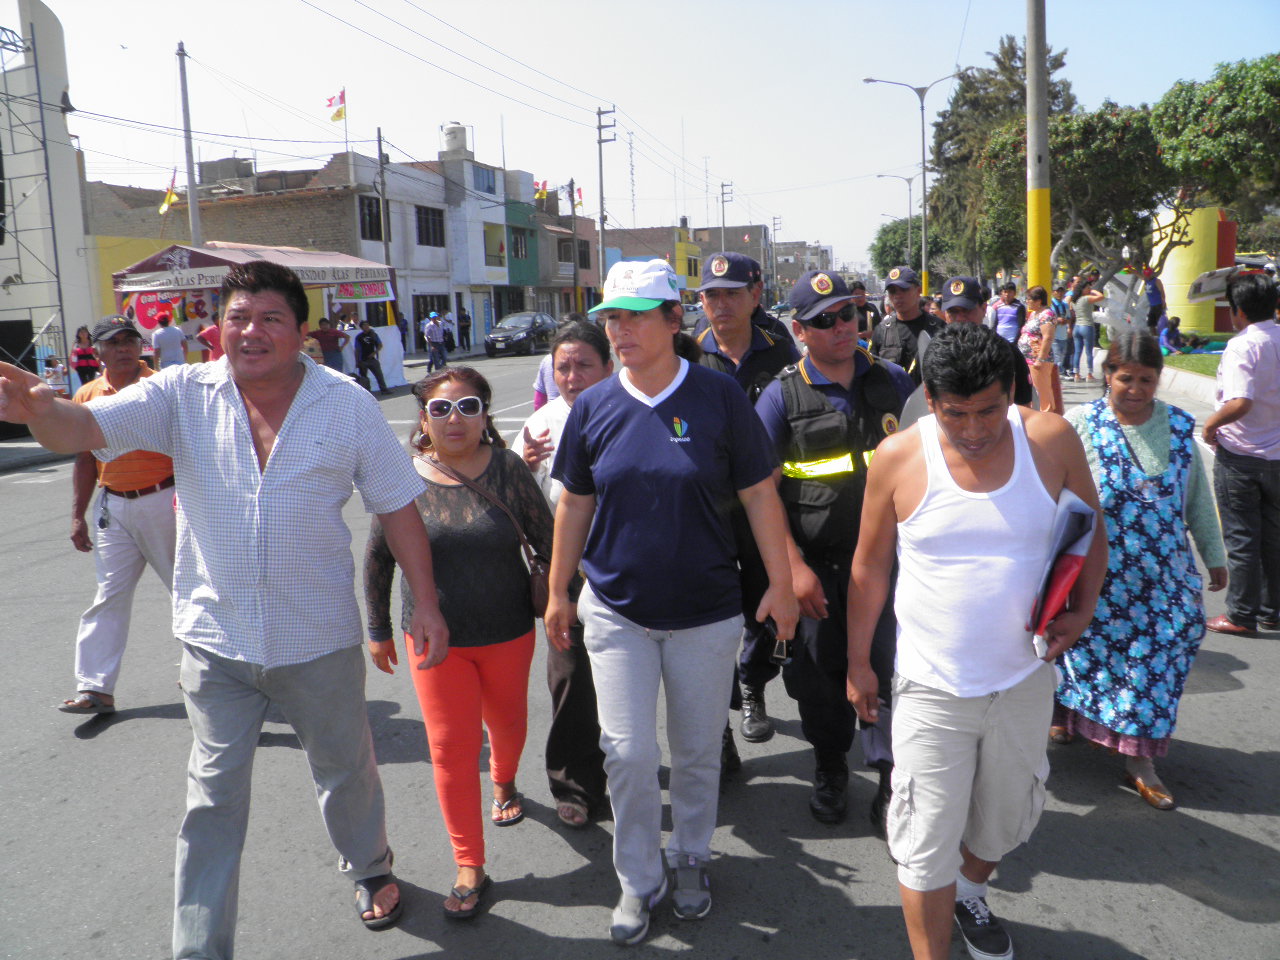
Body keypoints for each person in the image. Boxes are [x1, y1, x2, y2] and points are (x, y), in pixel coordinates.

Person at [0, 260, 450, 958]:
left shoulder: (347, 404)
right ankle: (200, 948)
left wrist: (425, 602)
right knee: (210, 801)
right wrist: (40, 413)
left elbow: (396, 505)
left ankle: (369, 865)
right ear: (217, 330)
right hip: (215, 640)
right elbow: (81, 427)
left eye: (271, 318)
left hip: (318, 638)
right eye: (239, 318)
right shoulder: (180, 393)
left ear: (302, 331)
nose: (252, 332)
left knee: (345, 771)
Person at [545, 258, 797, 945]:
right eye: (610, 319)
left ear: (670, 318)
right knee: (625, 753)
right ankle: (636, 877)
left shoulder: (719, 399)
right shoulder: (594, 405)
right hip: (617, 611)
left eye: (631, 315)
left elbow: (759, 494)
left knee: (693, 753)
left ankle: (690, 857)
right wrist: (558, 591)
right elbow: (574, 501)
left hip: (706, 614)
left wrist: (780, 581)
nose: (617, 330)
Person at [845, 322, 1107, 960]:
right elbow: (869, 567)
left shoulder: (1052, 440)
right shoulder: (898, 459)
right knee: (924, 839)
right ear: (929, 400)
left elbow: (1089, 534)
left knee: (1001, 824)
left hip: (1023, 680)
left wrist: (1083, 609)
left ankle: (971, 888)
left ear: (1011, 392)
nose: (971, 428)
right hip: (930, 688)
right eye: (954, 412)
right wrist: (858, 664)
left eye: (987, 410)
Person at [366, 366, 551, 920]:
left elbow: (547, 540)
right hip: (432, 639)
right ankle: (470, 863)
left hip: (507, 629)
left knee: (509, 724)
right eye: (441, 408)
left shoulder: (510, 470)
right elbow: (378, 559)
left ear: (486, 417)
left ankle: (505, 782)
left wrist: (564, 603)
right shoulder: (402, 474)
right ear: (423, 418)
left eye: (468, 407)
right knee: (449, 747)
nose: (454, 418)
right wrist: (376, 629)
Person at [754, 270, 914, 828]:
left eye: (848, 313)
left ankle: (896, 778)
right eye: (825, 320)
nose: (843, 327)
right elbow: (761, 494)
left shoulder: (894, 381)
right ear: (800, 330)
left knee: (896, 672)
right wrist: (793, 569)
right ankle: (830, 766)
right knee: (820, 681)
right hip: (820, 570)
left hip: (896, 569)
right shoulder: (780, 396)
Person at [1053, 332, 1226, 810]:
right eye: (1125, 378)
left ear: (1158, 380)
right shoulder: (1080, 425)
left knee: (1162, 658)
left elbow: (1196, 500)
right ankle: (1069, 715)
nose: (1135, 388)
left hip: (1165, 581)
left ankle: (1140, 762)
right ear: (1108, 375)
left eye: (1146, 380)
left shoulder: (1178, 427)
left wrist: (1213, 555)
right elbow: (1055, 496)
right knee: (1084, 656)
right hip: (1095, 579)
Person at [692, 251, 800, 755]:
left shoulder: (783, 351)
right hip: (707, 510)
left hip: (764, 503)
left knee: (762, 603)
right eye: (711, 295)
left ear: (755, 295)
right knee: (710, 616)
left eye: (731, 293)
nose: (721, 304)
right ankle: (719, 725)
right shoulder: (687, 354)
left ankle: (752, 685)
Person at [520, 322, 614, 828]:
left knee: (649, 676)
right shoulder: (541, 423)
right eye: (563, 367)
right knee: (571, 680)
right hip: (569, 576)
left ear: (608, 366)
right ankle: (574, 781)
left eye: (584, 365)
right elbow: (513, 498)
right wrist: (526, 465)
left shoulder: (632, 410)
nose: (573, 377)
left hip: (632, 570)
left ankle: (705, 755)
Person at [57, 316, 175, 716]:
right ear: (98, 351)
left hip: (165, 499)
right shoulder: (87, 394)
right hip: (114, 508)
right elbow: (85, 458)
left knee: (189, 591)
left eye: (131, 341)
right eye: (115, 342)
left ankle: (210, 674)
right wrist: (78, 515)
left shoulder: (161, 386)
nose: (125, 348)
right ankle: (95, 689)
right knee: (108, 596)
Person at [1202, 271, 1280, 635]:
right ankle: (1270, 609)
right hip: (1277, 456)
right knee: (1272, 536)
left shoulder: (1242, 346)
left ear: (1239, 311)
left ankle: (1240, 614)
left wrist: (1210, 425)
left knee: (1242, 538)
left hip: (1241, 456)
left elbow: (1240, 402)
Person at [939, 277, 1033, 407]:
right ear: (944, 314)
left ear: (983, 309)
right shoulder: (936, 352)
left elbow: (1024, 408)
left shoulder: (1007, 353)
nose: (960, 318)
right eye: (952, 312)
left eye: (967, 310)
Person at [871, 265, 944, 385]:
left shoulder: (938, 328)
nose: (898, 296)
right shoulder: (881, 331)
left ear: (918, 291)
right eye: (892, 291)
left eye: (904, 290)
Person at [1018, 286, 1063, 415]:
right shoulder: (1033, 314)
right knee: (1032, 392)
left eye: (1029, 299)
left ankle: (1047, 418)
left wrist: (1040, 359)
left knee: (1042, 392)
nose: (1027, 302)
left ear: (1038, 300)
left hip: (1038, 360)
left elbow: (1048, 337)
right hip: (1027, 359)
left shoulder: (1047, 314)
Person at [1072, 279, 1105, 381]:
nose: (1089, 289)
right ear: (1082, 289)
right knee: (1088, 352)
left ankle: (1076, 374)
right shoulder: (1086, 298)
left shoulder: (1074, 300)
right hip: (1087, 326)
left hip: (1077, 326)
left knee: (1077, 351)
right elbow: (1101, 297)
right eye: (1087, 288)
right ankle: (1089, 374)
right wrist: (1094, 290)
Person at [354, 318, 392, 395]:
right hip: (363, 360)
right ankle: (367, 393)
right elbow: (357, 350)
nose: (366, 327)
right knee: (364, 378)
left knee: (379, 375)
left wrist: (374, 352)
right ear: (361, 327)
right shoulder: (359, 337)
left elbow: (380, 345)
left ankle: (384, 390)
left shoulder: (374, 335)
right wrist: (357, 361)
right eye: (364, 325)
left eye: (367, 325)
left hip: (372, 359)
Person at [1050, 285, 1073, 376]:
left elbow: (1069, 318)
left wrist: (1068, 325)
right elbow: (1048, 319)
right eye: (1057, 291)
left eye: (1061, 291)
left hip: (1063, 334)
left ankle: (1059, 373)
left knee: (1063, 354)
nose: (1059, 293)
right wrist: (1057, 320)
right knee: (1056, 355)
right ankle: (1059, 373)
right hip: (1053, 335)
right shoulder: (1050, 304)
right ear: (1053, 292)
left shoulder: (1065, 305)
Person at [1143, 266, 1167, 334]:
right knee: (1151, 323)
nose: (1148, 277)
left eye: (1149, 275)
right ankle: (1154, 336)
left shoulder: (1156, 281)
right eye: (1146, 275)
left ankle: (1161, 337)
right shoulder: (1146, 280)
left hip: (1158, 304)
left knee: (1160, 323)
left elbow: (1162, 292)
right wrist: (1131, 270)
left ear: (1152, 274)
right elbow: (1139, 275)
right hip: (1152, 305)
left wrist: (1163, 302)